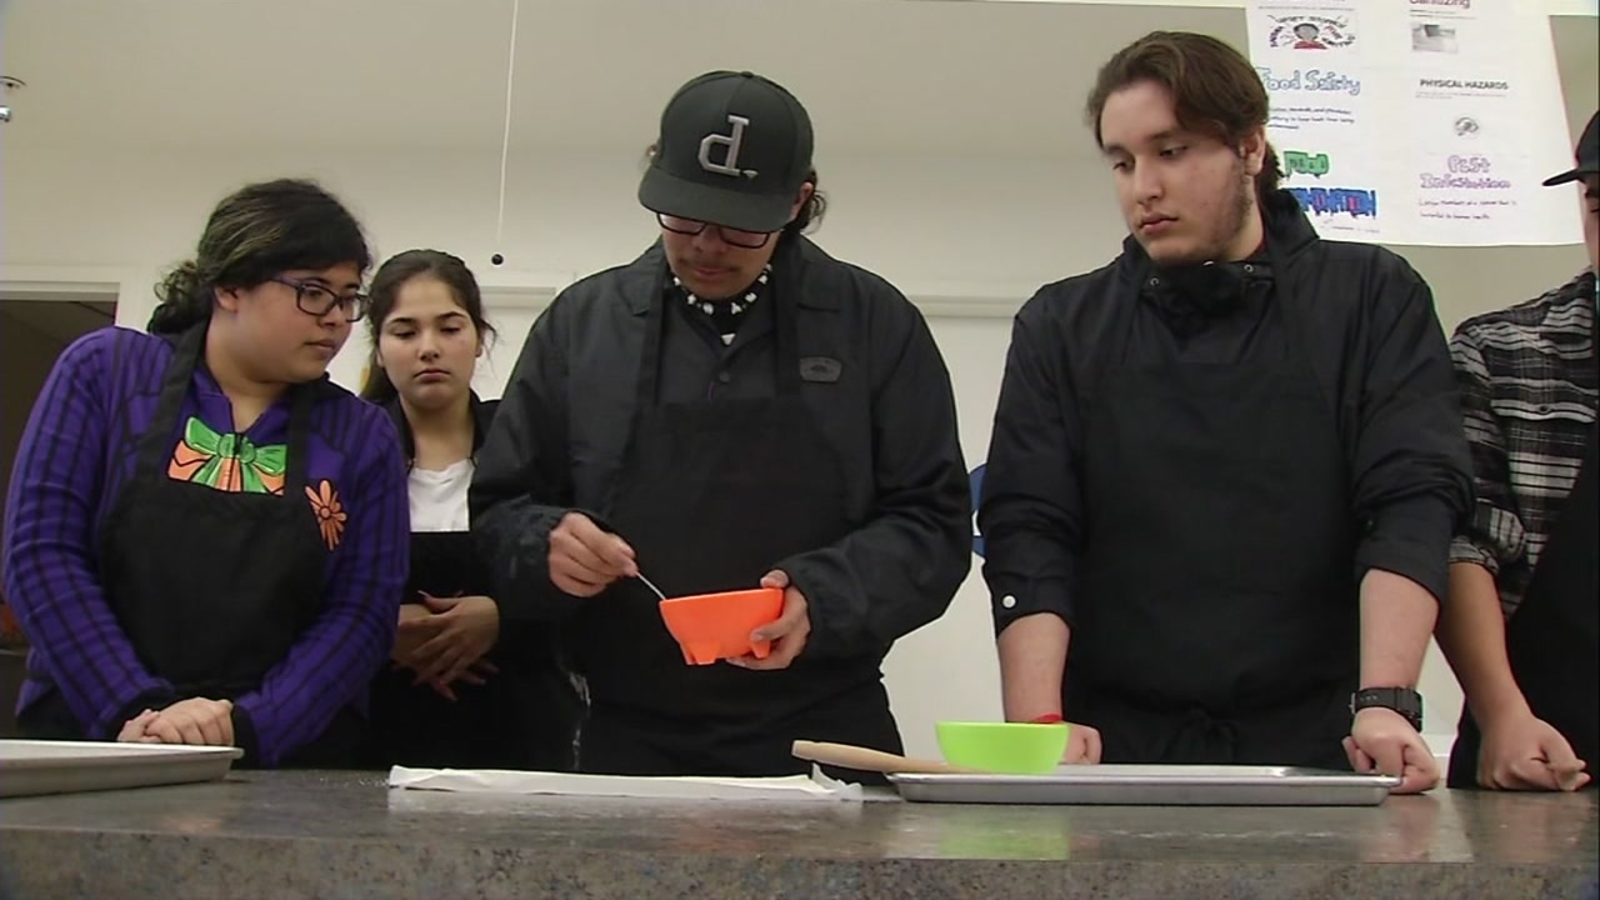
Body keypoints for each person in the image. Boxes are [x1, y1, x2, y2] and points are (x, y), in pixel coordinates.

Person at [978, 32, 1472, 793]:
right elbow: (1031, 531)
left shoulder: (1372, 298)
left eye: (1171, 151)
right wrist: (1037, 726)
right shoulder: (1062, 325)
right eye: (1122, 160)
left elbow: (1410, 503)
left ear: (1250, 147)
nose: (1143, 186)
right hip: (1113, 754)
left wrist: (1385, 704)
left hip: (1322, 742)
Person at [471, 70, 970, 779]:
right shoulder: (582, 327)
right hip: (626, 734)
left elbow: (934, 526)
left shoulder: (874, 326)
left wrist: (820, 598)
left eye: (739, 224)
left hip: (824, 731)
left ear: (798, 202)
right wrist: (541, 545)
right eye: (684, 216)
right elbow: (497, 512)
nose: (706, 245)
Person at [2, 178, 408, 768]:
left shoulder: (361, 436)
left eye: (348, 298)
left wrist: (245, 728)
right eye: (314, 292)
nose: (337, 320)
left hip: (277, 761)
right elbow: (40, 554)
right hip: (90, 738)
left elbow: (361, 615)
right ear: (231, 285)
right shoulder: (107, 374)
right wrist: (134, 708)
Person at [359, 249, 580, 771]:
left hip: (521, 735)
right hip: (372, 734)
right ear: (380, 349)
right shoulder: (347, 451)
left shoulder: (535, 450)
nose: (429, 349)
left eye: (449, 328)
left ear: (479, 339)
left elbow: (588, 591)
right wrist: (374, 629)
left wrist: (504, 618)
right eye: (405, 332)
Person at [1439, 110, 1598, 792]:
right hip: (1541, 757)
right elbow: (1460, 546)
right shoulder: (1507, 353)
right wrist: (1503, 714)